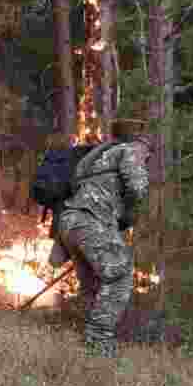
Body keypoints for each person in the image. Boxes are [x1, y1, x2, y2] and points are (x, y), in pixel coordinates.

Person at [57, 119, 151, 358]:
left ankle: (86, 344)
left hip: (70, 221)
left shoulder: (94, 158)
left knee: (93, 283)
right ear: (138, 141)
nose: (147, 156)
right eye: (147, 150)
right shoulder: (129, 151)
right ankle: (98, 340)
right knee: (120, 274)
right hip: (90, 220)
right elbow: (138, 188)